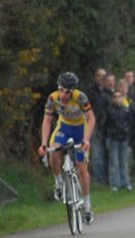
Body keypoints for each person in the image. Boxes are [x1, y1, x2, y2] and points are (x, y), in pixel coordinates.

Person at [38, 72, 96, 224]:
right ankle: (58, 182)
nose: (64, 94)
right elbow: (47, 121)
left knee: (82, 167)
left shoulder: (80, 97)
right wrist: (43, 144)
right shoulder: (53, 98)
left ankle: (87, 205)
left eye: (67, 92)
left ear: (73, 91)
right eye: (61, 90)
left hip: (80, 129)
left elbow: (91, 119)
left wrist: (86, 140)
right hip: (63, 128)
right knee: (53, 151)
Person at [105, 89, 132, 191]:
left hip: (124, 138)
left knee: (124, 162)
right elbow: (106, 124)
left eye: (119, 97)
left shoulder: (126, 110)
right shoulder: (109, 110)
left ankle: (126, 182)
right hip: (113, 138)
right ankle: (115, 183)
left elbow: (130, 122)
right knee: (114, 162)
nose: (117, 99)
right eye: (115, 97)